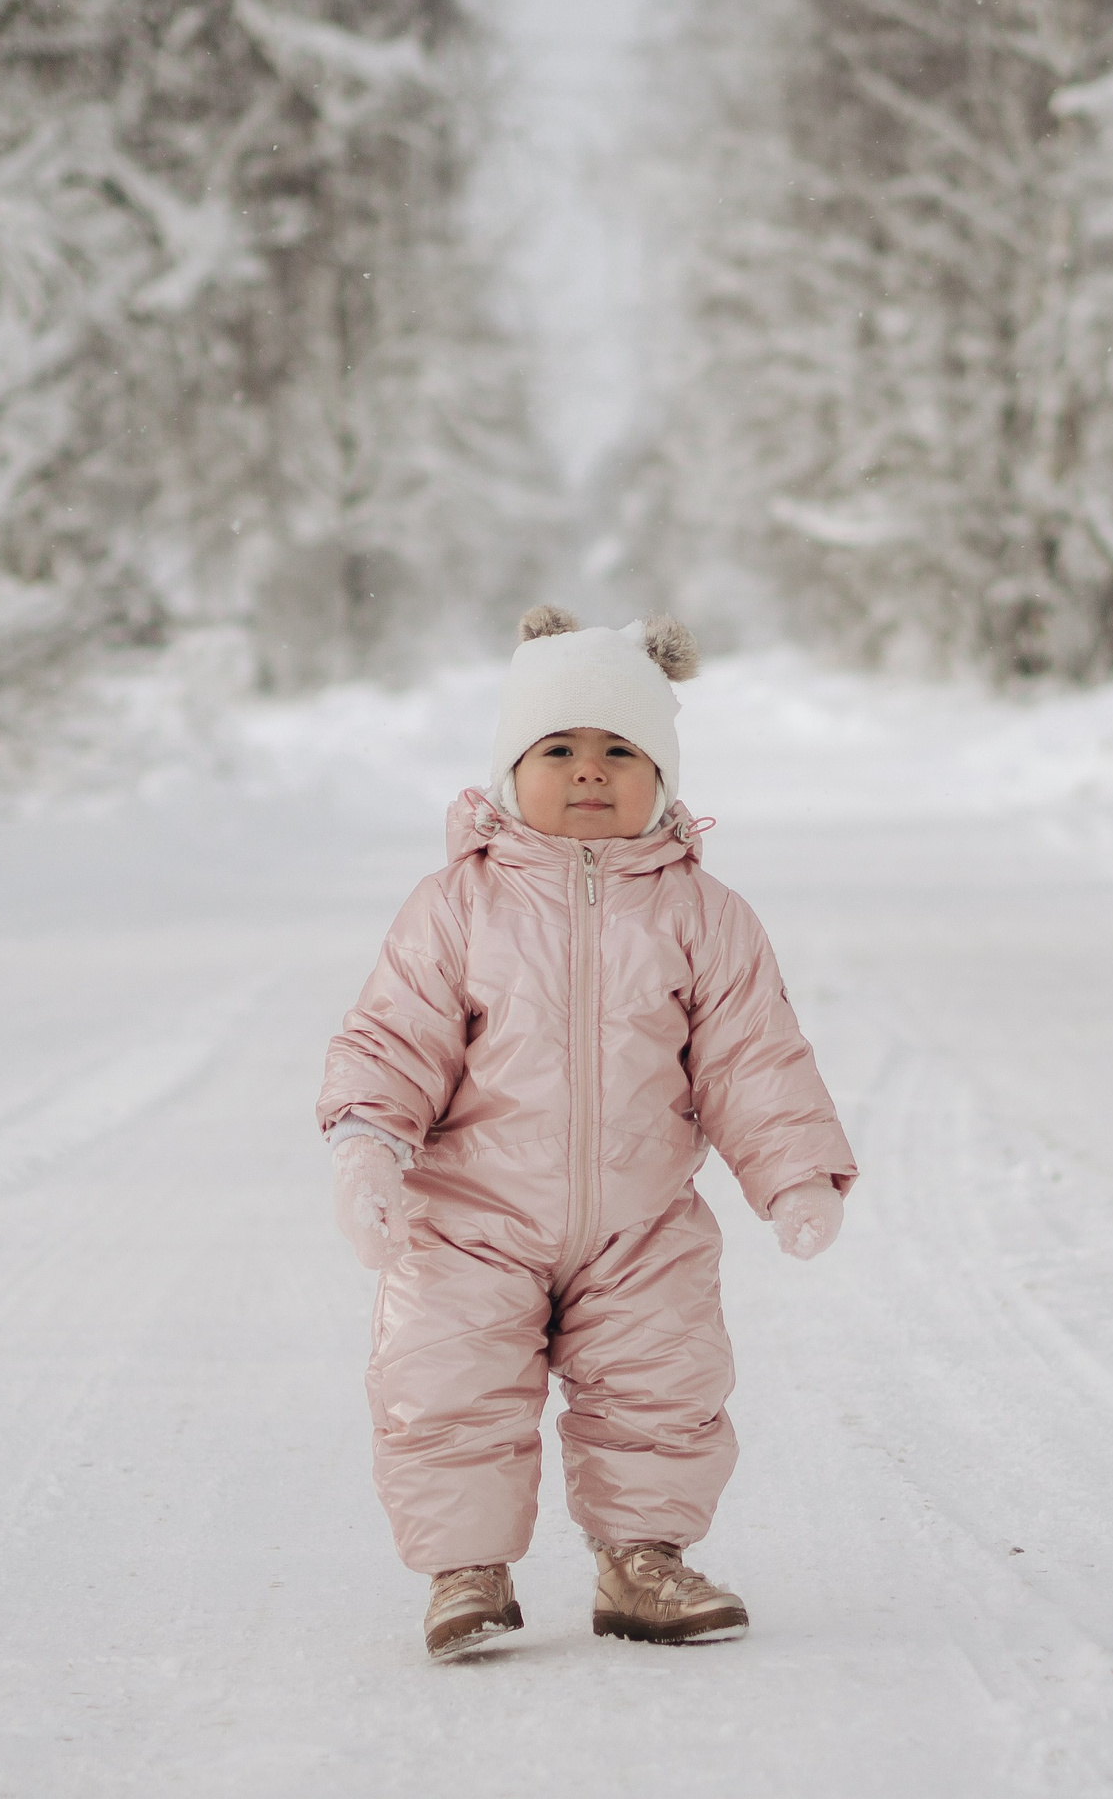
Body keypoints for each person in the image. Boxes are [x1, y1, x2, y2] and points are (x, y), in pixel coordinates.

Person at [318, 605, 858, 1660]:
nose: (589, 773)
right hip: (469, 1220)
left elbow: (754, 1057)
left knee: (662, 1385)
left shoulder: (706, 916)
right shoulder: (456, 906)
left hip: (640, 1223)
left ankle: (642, 1560)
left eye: (620, 751)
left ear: (661, 775)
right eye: (558, 750)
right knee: (448, 1385)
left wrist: (796, 1174)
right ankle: (466, 1568)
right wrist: (367, 1143)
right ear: (510, 769)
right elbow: (393, 1036)